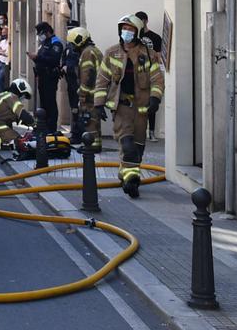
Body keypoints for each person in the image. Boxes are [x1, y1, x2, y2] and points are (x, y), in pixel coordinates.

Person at [100, 14, 166, 198]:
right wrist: (98, 105)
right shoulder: (112, 53)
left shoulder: (148, 55)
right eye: (123, 28)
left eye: (130, 29)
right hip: (121, 107)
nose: (126, 32)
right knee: (127, 144)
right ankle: (132, 181)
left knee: (137, 147)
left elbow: (157, 80)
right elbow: (102, 79)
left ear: (137, 32)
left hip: (141, 109)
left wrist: (155, 98)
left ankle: (127, 173)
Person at [65, 25, 106, 149]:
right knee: (94, 121)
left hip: (90, 95)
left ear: (79, 40)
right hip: (97, 93)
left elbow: (87, 75)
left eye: (72, 44)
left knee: (89, 121)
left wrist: (82, 94)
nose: (72, 47)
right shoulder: (94, 50)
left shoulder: (87, 53)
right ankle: (95, 144)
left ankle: (91, 147)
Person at [31, 20, 66, 145]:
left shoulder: (56, 43)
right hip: (41, 76)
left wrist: (37, 57)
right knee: (44, 102)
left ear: (47, 32)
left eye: (41, 33)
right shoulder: (45, 43)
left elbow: (53, 59)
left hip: (50, 77)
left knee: (50, 102)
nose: (39, 36)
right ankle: (43, 126)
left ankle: (51, 127)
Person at [0, 77, 36, 155]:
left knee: (13, 139)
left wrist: (25, 122)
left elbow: (13, 115)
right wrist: (35, 124)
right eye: (24, 96)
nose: (23, 98)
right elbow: (22, 114)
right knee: (18, 141)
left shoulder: (5, 95)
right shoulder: (12, 97)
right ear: (20, 91)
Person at [136, 10, 166, 139]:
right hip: (136, 74)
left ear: (146, 21)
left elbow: (160, 57)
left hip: (150, 73)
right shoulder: (134, 38)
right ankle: (138, 132)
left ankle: (151, 132)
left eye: (141, 21)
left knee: (151, 102)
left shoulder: (155, 37)